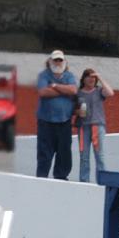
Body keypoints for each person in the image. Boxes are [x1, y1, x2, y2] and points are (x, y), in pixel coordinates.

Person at [36, 50, 78, 179]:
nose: (58, 63)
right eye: (55, 60)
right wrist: (64, 90)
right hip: (46, 122)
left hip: (64, 121)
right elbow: (43, 92)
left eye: (60, 60)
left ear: (64, 61)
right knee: (44, 152)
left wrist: (54, 86)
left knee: (64, 152)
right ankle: (42, 177)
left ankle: (61, 177)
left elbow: (73, 90)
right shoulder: (43, 75)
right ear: (50, 61)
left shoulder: (69, 76)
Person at [75, 68, 114, 183]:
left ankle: (102, 181)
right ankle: (84, 181)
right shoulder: (78, 93)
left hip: (97, 126)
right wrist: (77, 112)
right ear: (84, 79)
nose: (91, 79)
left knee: (99, 156)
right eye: (89, 76)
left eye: (93, 77)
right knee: (84, 157)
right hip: (83, 127)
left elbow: (110, 93)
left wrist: (100, 77)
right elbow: (72, 109)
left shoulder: (99, 91)